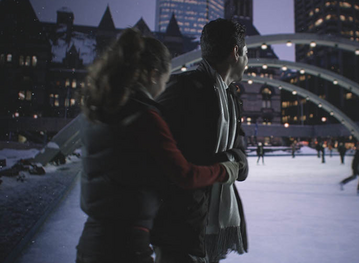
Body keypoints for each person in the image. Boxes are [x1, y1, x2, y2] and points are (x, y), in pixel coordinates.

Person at [76, 28, 242, 263]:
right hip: (127, 246)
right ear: (153, 74)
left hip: (90, 242)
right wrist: (225, 170)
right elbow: (184, 174)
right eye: (164, 81)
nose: (162, 90)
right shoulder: (143, 117)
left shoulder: (95, 112)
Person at [151, 19, 249, 263]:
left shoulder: (232, 98)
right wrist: (224, 164)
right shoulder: (184, 90)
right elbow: (165, 159)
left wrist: (232, 162)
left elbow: (240, 157)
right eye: (246, 53)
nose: (248, 61)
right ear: (235, 53)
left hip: (212, 226)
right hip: (180, 225)